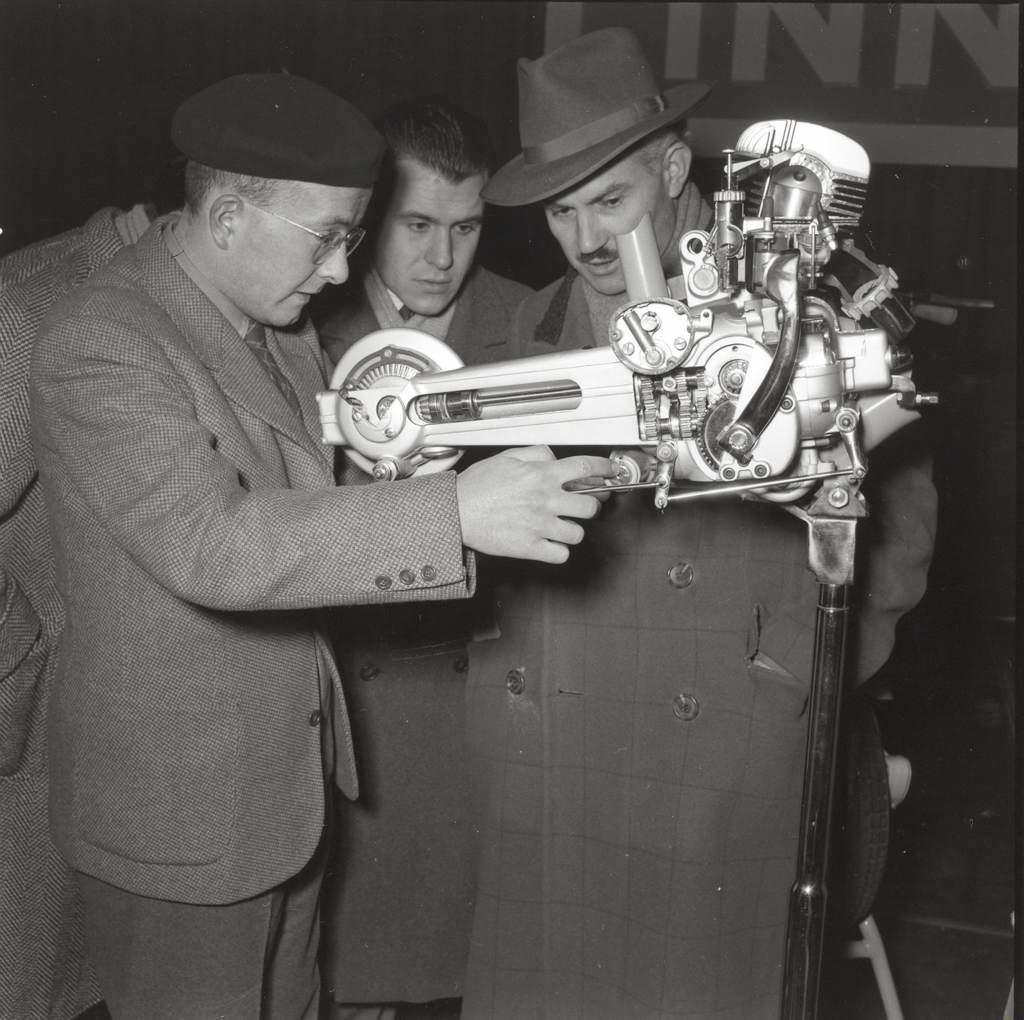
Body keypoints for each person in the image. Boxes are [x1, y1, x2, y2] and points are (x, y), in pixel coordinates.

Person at [29, 72, 613, 1020]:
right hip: (180, 825)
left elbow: (317, 505)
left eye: (351, 237)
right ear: (225, 218)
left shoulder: (276, 325)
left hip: (285, 801)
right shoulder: (104, 339)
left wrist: (504, 488)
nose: (343, 272)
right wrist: (452, 514)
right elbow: (211, 542)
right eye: (328, 238)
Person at [460, 27, 937, 1019]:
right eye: (559, 211)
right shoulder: (524, 334)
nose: (587, 238)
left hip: (722, 735)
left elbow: (896, 519)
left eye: (610, 200)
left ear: (676, 169)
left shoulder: (795, 314)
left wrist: (808, 679)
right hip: (555, 734)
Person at [314, 96, 531, 1019]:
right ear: (369, 220)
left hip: (482, 705)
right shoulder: (302, 329)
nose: (445, 258)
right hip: (355, 710)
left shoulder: (530, 328)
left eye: (469, 226)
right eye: (419, 225)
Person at [0, 188, 179, 1020]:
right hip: (34, 776)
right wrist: (26, 664)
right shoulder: (26, 310)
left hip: (140, 782)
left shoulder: (174, 296)